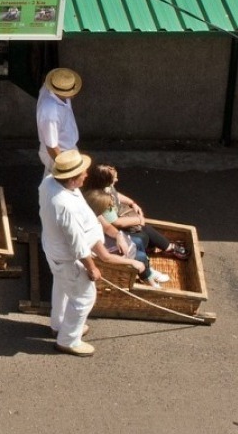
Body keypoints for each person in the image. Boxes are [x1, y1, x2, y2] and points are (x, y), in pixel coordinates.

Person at [39, 149, 144, 357]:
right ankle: (68, 340)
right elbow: (77, 245)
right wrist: (92, 267)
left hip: (54, 249)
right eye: (82, 173)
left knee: (62, 288)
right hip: (68, 257)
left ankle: (60, 325)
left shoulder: (49, 182)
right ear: (71, 180)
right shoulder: (65, 206)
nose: (86, 175)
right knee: (84, 297)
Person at [84, 162, 189, 277]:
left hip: (115, 227)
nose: (117, 180)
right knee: (143, 236)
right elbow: (115, 223)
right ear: (105, 181)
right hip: (113, 232)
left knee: (144, 233)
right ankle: (150, 266)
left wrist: (132, 203)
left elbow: (117, 195)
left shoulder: (108, 189)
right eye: (114, 178)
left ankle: (166, 247)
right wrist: (138, 220)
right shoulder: (101, 201)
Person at [36, 67, 82, 172]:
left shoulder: (48, 89)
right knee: (61, 184)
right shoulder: (50, 113)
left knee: (51, 184)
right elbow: (52, 146)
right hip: (60, 153)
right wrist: (65, 168)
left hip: (68, 148)